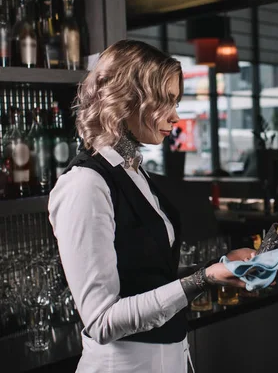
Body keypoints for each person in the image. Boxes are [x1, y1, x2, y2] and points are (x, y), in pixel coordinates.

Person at [48, 39, 254, 373]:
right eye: (166, 101)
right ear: (126, 98)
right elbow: (102, 321)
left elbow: (148, 278)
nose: (175, 116)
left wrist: (218, 268)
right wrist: (202, 278)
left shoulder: (134, 173)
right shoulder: (85, 184)